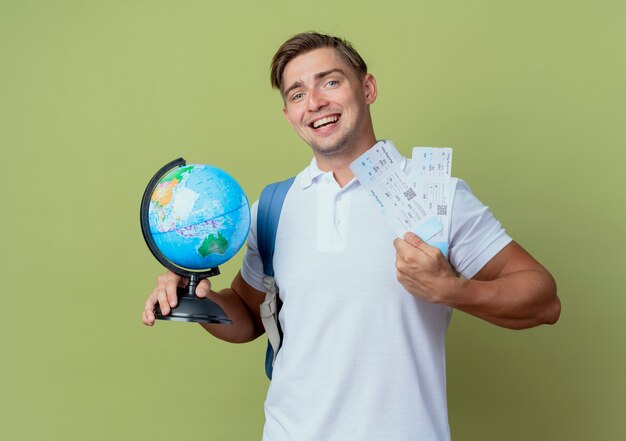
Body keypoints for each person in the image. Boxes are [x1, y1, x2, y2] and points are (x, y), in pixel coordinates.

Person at [143, 32, 560, 441]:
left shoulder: (436, 194)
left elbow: (543, 299)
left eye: (330, 81)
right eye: (297, 94)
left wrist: (450, 290)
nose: (316, 103)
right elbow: (250, 318)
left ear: (368, 88)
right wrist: (197, 296)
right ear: (289, 114)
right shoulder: (273, 205)